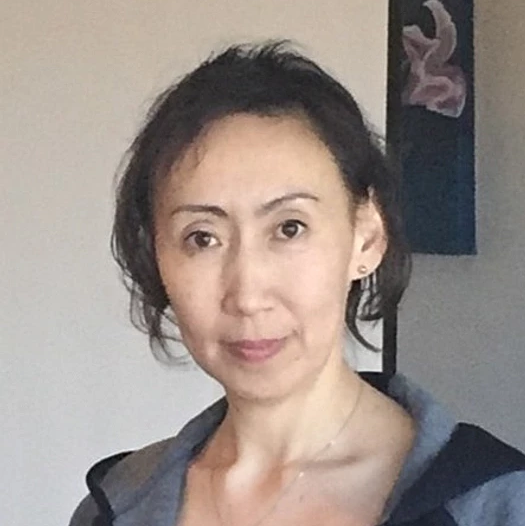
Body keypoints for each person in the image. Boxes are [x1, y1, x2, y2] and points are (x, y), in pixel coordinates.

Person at [69, 42, 525, 526]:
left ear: (367, 238)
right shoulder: (114, 507)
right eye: (202, 238)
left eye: (290, 228)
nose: (248, 296)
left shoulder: (496, 504)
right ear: (156, 256)